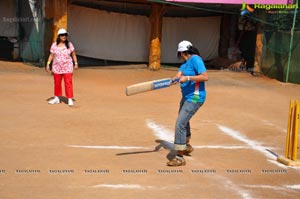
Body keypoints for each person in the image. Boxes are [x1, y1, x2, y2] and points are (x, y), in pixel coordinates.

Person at [167, 40, 208, 166]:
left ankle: (179, 157)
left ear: (180, 52)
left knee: (180, 123)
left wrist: (188, 78)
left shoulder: (196, 59)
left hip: (195, 97)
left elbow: (205, 76)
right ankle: (187, 144)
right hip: (186, 97)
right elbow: (178, 75)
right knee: (184, 120)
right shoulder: (184, 65)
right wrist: (174, 79)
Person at [46, 28, 78, 106]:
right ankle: (57, 98)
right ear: (59, 36)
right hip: (57, 67)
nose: (64, 36)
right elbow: (51, 55)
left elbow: (73, 54)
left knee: (68, 83)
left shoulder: (69, 44)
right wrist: (48, 64)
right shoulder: (54, 45)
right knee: (57, 83)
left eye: (65, 35)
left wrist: (76, 63)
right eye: (62, 35)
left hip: (67, 67)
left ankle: (69, 98)